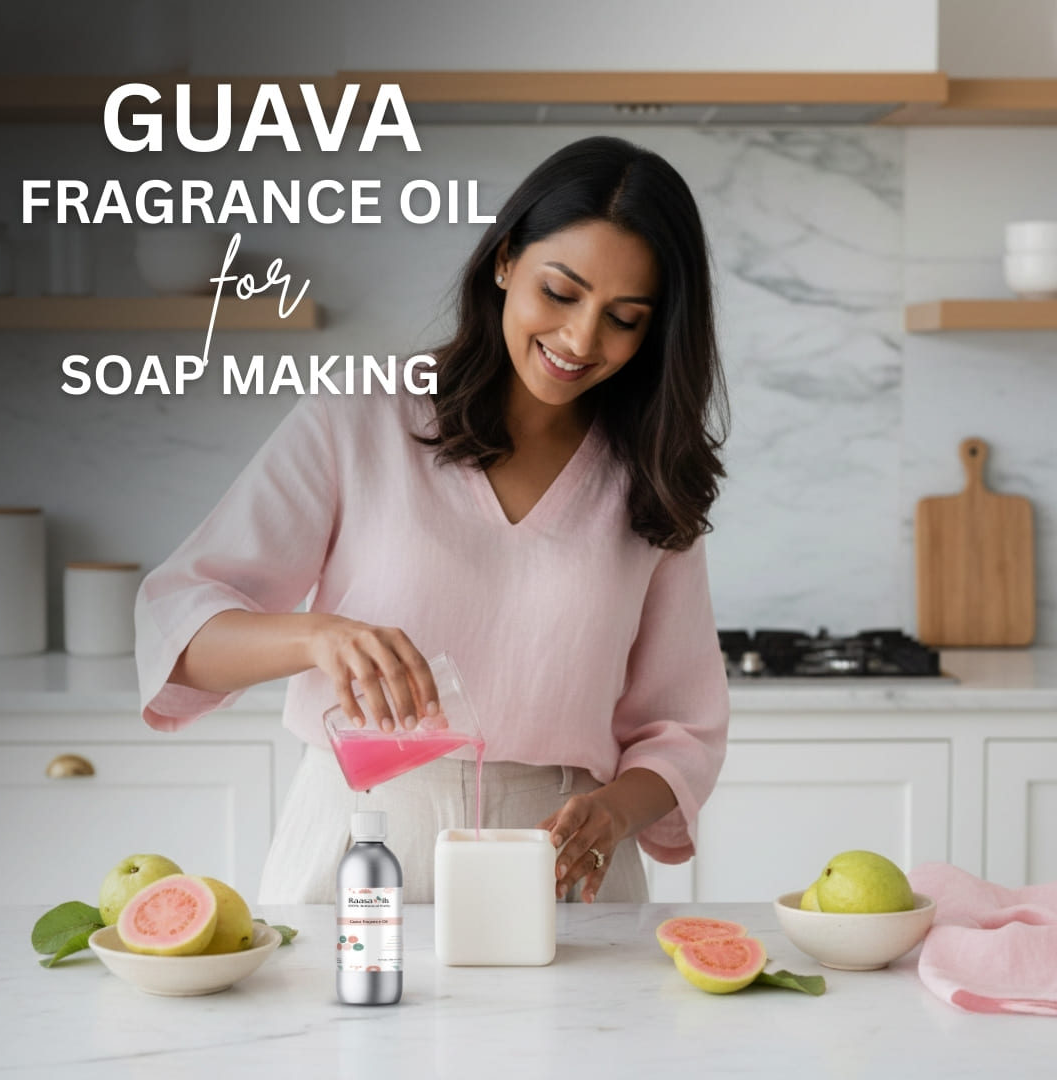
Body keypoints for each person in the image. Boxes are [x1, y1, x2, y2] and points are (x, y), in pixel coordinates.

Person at [135, 135, 731, 905]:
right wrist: (321, 636)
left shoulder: (648, 477)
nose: (581, 340)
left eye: (624, 317)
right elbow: (182, 631)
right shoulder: (360, 416)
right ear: (506, 259)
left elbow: (680, 730)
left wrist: (615, 811)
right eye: (560, 292)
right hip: (362, 836)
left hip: (560, 864)